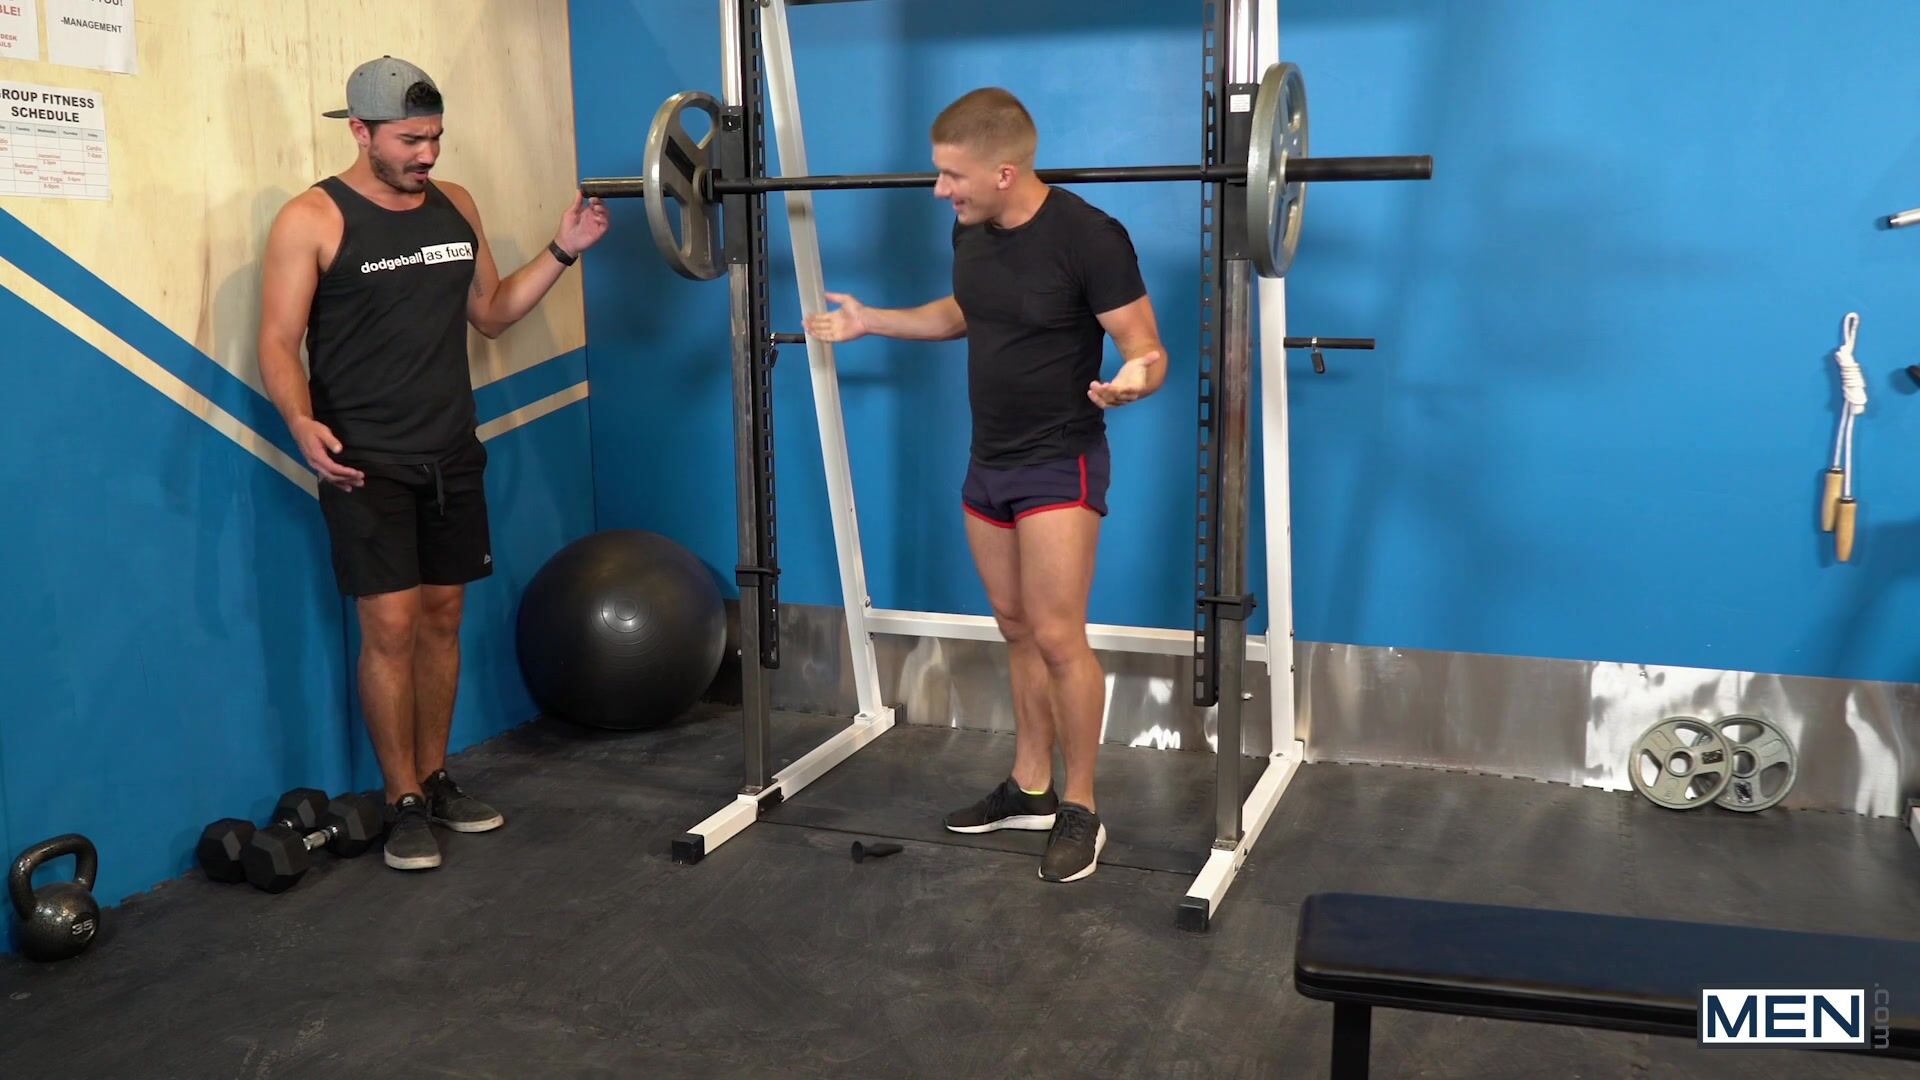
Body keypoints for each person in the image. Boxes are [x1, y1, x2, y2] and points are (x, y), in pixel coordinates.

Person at [805, 87, 1167, 883]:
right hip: (989, 459)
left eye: (952, 176)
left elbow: (1147, 347)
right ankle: (1031, 787)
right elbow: (965, 312)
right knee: (1014, 626)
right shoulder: (972, 227)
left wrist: (1133, 380)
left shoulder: (1089, 237)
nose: (941, 190)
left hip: (1060, 460)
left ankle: (1081, 807)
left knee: (1059, 636)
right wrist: (873, 321)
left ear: (1005, 172)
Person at [256, 56, 610, 871]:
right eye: (410, 140)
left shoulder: (456, 204)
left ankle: (437, 776)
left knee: (444, 616)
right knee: (390, 627)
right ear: (361, 132)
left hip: (452, 449)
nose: (427, 154)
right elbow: (277, 340)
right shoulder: (311, 218)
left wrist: (563, 249)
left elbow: (490, 312)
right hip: (364, 460)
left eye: (435, 138)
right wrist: (300, 420)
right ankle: (401, 799)